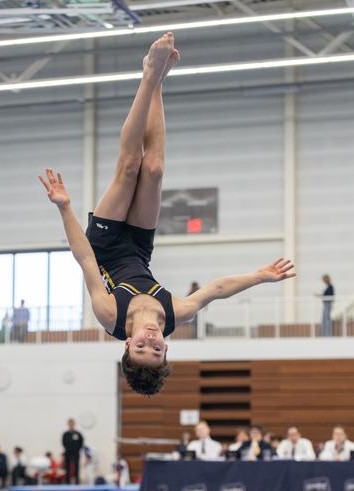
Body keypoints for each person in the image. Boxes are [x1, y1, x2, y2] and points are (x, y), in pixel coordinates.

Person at [39, 33, 295, 396]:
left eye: (141, 347)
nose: (150, 340)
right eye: (156, 349)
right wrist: (260, 276)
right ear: (166, 348)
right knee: (155, 169)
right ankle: (158, 78)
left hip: (104, 245)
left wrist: (65, 208)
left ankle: (149, 73)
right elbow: (218, 289)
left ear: (127, 345)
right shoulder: (177, 313)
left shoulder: (110, 314)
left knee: (130, 166)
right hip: (140, 247)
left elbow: (84, 259)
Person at [62, 418, 84, 484]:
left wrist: (77, 449)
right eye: (70, 423)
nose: (71, 425)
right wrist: (68, 449)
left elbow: (81, 442)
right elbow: (63, 442)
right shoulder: (65, 434)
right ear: (68, 424)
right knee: (67, 468)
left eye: (72, 423)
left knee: (76, 468)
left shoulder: (78, 434)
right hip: (68, 453)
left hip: (76, 453)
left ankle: (77, 482)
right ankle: (67, 482)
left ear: (74, 424)